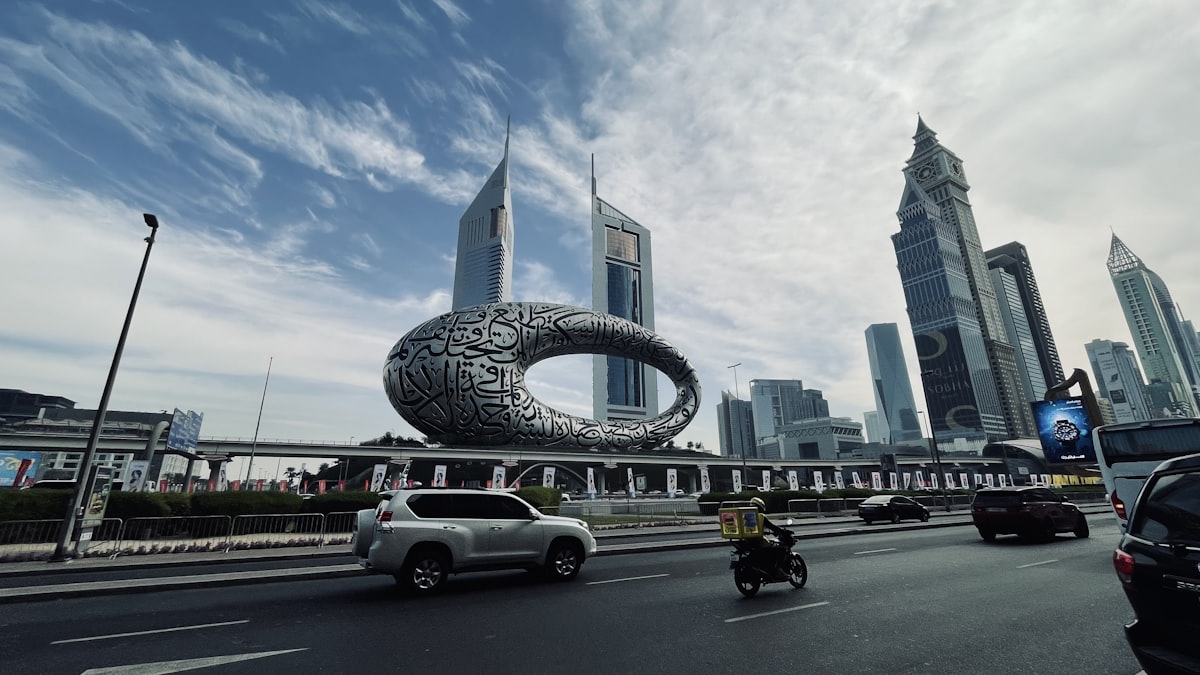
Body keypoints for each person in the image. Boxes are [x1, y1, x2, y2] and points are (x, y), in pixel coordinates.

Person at [749, 497, 794, 578]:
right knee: (781, 549)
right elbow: (772, 527)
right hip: (758, 541)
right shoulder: (761, 516)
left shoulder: (746, 516)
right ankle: (778, 570)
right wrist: (784, 531)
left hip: (748, 541)